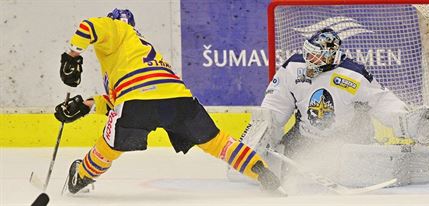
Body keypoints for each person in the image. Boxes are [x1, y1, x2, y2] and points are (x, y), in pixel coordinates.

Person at [54, 8, 281, 194]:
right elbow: (124, 98)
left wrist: (71, 59)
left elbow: (88, 27)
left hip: (137, 101)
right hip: (178, 100)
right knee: (217, 142)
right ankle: (260, 170)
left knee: (108, 147)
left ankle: (81, 175)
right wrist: (86, 106)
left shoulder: (116, 28)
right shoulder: (137, 52)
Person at [230, 28, 429, 186]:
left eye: (315, 55)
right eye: (308, 53)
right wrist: (263, 130)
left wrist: (403, 120)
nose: (309, 59)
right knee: (278, 173)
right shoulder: (293, 68)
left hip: (348, 140)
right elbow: (275, 105)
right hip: (304, 136)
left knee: (358, 176)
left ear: (331, 55)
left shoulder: (353, 75)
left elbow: (382, 102)